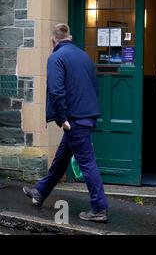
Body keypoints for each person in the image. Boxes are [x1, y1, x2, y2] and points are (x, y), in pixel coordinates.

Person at [23, 23, 109, 223]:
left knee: (87, 163)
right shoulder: (84, 55)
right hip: (86, 115)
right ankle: (40, 191)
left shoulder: (56, 57)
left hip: (74, 119)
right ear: (69, 38)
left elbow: (56, 90)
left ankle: (99, 208)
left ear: (53, 40)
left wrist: (62, 119)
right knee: (62, 159)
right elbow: (95, 86)